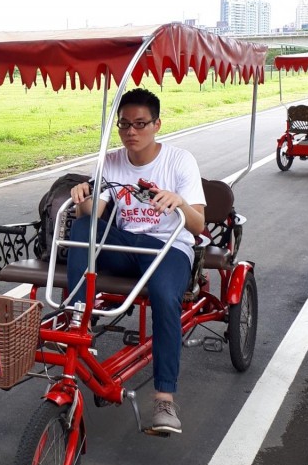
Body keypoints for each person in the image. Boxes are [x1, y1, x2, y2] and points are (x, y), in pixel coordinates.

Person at [66, 87, 206, 435]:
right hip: (126, 243)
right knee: (83, 226)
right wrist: (82, 198)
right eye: (124, 124)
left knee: (163, 297)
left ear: (157, 124)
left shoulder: (179, 160)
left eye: (140, 124)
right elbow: (94, 215)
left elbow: (199, 224)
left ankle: (164, 400)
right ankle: (75, 322)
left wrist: (180, 202)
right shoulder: (111, 161)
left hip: (168, 246)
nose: (131, 132)